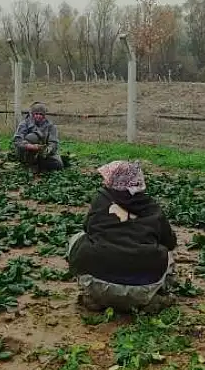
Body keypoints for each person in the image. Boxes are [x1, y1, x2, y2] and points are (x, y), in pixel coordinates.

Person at [67, 161, 178, 312]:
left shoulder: (101, 200)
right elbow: (170, 242)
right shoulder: (152, 208)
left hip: (98, 284)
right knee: (167, 254)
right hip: (144, 287)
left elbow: (87, 229)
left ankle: (97, 298)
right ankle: (149, 301)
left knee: (78, 239)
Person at [13, 102, 63, 172]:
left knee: (58, 164)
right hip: (27, 152)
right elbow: (17, 141)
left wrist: (47, 150)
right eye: (36, 114)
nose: (38, 116)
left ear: (44, 115)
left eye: (41, 114)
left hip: (43, 153)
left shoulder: (50, 126)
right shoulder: (24, 124)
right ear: (32, 114)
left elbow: (53, 142)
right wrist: (31, 146)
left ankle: (40, 166)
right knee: (33, 137)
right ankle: (29, 165)